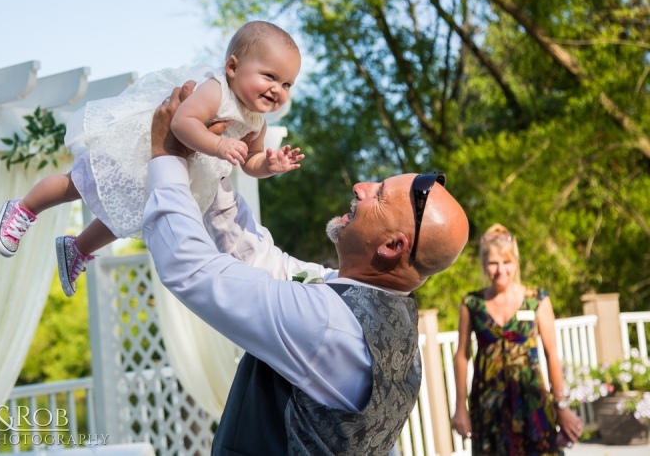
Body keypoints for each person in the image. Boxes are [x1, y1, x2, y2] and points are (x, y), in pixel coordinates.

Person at [142, 83, 470, 455]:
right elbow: (261, 258)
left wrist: (165, 155)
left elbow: (192, 269)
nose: (361, 187)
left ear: (392, 246)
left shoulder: (328, 321)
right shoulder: (383, 323)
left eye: (378, 195)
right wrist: (211, 169)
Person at [0, 21, 304, 296]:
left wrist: (267, 166)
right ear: (233, 67)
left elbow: (251, 161)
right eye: (269, 77)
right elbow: (183, 123)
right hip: (139, 152)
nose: (278, 90)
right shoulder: (215, 91)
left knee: (129, 216)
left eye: (287, 84)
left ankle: (77, 248)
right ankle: (23, 209)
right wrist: (219, 146)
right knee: (78, 184)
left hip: (169, 169)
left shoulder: (256, 121)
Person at [450, 224, 584, 455]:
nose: (500, 269)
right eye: (493, 263)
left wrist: (560, 405)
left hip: (532, 401)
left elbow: (552, 355)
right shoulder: (471, 303)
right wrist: (460, 407)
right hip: (488, 406)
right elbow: (462, 356)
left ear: (516, 263)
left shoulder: (538, 300)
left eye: (506, 262)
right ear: (484, 264)